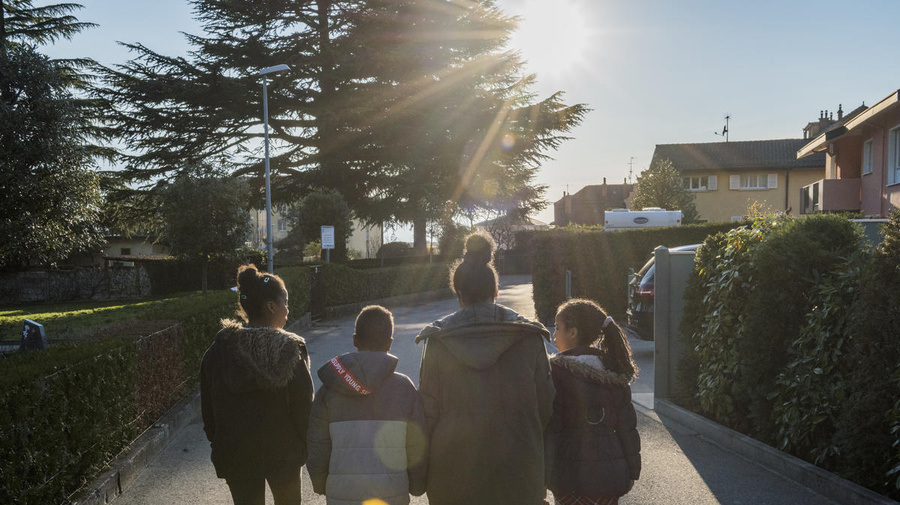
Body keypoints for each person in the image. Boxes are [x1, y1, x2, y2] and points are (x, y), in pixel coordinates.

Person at [415, 232, 556, 505]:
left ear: (459, 294)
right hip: (519, 471)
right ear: (495, 291)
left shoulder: (439, 341)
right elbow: (547, 406)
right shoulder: (528, 337)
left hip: (453, 475)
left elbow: (427, 412)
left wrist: (421, 475)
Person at [200, 264, 314, 505]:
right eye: (285, 302)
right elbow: (304, 407)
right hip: (284, 452)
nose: (287, 309)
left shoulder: (219, 350)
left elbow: (208, 408)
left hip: (236, 452)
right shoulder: (290, 349)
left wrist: (219, 442)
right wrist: (305, 446)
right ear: (271, 306)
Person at [307, 305, 428, 505]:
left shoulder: (330, 388)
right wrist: (417, 485)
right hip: (392, 493)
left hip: (341, 495)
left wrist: (320, 483)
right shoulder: (404, 388)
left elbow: (317, 443)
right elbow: (417, 443)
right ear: (390, 343)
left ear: (355, 340)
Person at [545, 298, 641, 505]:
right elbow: (627, 428)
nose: (554, 335)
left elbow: (552, 429)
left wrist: (542, 474)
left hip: (568, 476)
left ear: (573, 332)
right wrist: (632, 471)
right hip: (610, 476)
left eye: (557, 328)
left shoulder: (556, 374)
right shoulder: (614, 372)